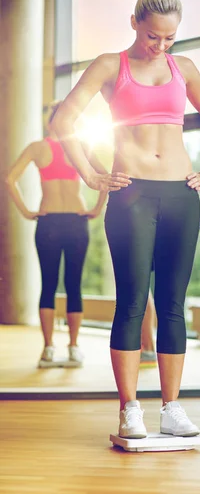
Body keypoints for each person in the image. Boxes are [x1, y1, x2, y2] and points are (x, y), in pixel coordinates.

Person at [53, 0, 200, 439]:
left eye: (169, 37)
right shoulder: (111, 65)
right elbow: (63, 119)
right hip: (131, 194)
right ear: (134, 23)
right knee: (132, 302)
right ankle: (130, 408)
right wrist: (90, 174)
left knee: (172, 303)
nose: (161, 45)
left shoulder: (183, 67)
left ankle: (172, 407)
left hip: (180, 197)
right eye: (153, 36)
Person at [5, 102, 107, 367]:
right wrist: (97, 207)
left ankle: (49, 349)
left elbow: (9, 180)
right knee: (74, 286)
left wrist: (27, 212)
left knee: (48, 285)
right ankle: (72, 348)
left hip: (48, 221)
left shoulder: (38, 147)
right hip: (76, 221)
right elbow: (107, 177)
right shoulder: (81, 146)